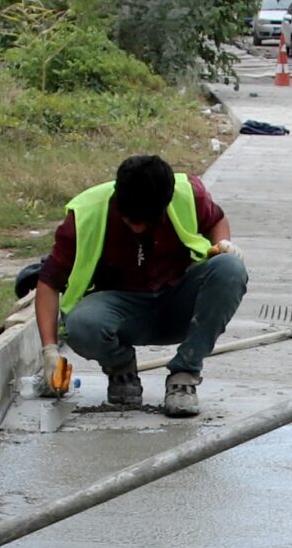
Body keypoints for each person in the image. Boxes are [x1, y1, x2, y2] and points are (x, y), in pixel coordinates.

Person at [36, 152, 248, 419]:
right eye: (129, 220)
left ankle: (185, 373)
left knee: (230, 267)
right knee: (82, 324)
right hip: (123, 314)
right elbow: (48, 283)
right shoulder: (86, 215)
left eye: (146, 222)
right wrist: (50, 350)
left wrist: (224, 244)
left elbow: (216, 219)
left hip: (179, 304)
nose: (137, 228)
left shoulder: (189, 195)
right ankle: (121, 368)